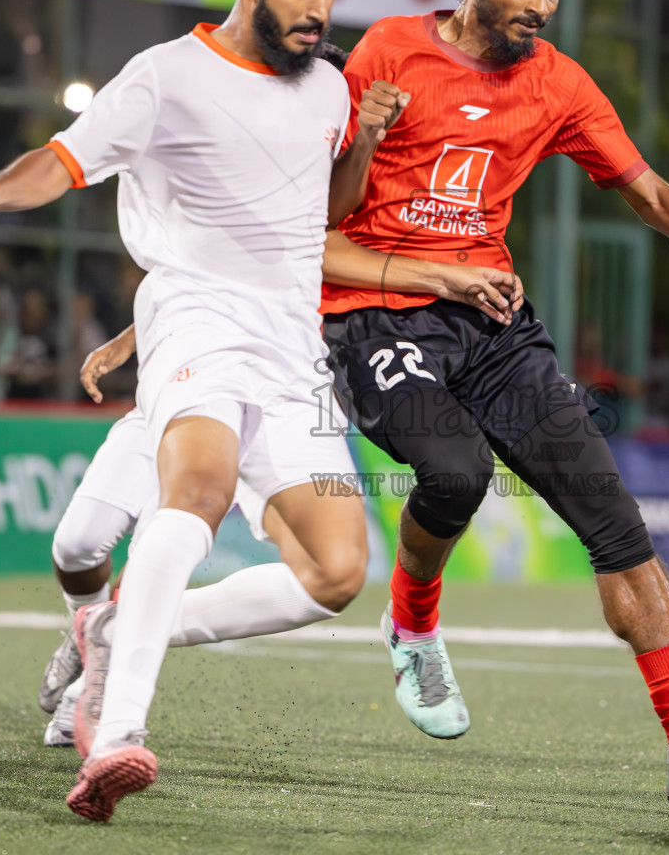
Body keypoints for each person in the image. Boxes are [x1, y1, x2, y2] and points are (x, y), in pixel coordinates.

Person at [0, 0, 406, 823]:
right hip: (195, 317)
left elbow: (326, 213)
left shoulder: (333, 88)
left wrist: (369, 139)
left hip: (291, 345)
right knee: (197, 492)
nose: (320, 10)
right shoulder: (166, 76)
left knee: (336, 575)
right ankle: (117, 735)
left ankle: (111, 629)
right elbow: (63, 160)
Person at [318, 0, 669, 808]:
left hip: (495, 326)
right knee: (455, 474)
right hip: (376, 313)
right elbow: (323, 219)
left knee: (618, 528)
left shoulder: (558, 83)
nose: (540, 4)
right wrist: (365, 134)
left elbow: (647, 191)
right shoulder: (387, 53)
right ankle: (412, 626)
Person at [36, 237, 527, 749]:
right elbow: (209, 263)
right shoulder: (221, 193)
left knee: (317, 571)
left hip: (281, 402)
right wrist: (133, 338)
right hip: (189, 386)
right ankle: (93, 637)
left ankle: (101, 683)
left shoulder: (332, 202)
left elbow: (306, 262)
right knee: (78, 543)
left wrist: (443, 274)